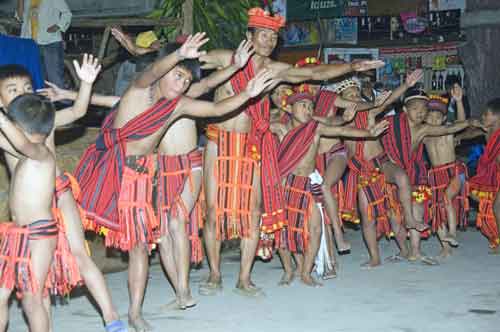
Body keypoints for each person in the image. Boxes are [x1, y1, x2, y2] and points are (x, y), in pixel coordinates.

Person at [74, 32, 276, 331]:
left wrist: (248, 92)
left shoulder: (176, 105)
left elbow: (217, 108)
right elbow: (153, 71)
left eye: (185, 80)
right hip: (114, 172)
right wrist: (180, 55)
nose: (181, 84)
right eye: (178, 77)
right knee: (86, 234)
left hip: (145, 176)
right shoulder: (138, 91)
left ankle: (135, 311)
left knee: (142, 246)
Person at [199, 7, 384, 296]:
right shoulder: (226, 58)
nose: (270, 41)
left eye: (274, 37)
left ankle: (244, 279)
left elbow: (313, 72)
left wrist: (351, 68)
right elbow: (190, 61)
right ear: (250, 35)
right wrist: (148, 49)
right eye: (264, 34)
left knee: (254, 212)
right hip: (218, 140)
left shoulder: (276, 71)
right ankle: (213, 274)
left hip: (251, 145)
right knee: (212, 211)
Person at [0, 57, 127, 332]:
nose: (22, 92)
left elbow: (80, 111)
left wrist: (86, 84)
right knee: (37, 285)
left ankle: (112, 317)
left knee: (80, 255)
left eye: (26, 86)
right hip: (34, 210)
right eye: (12, 89)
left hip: (59, 193)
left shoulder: (45, 118)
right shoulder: (6, 129)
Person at [271, 84, 389, 286]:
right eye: (302, 105)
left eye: (310, 106)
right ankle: (290, 270)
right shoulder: (280, 127)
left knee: (316, 229)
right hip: (286, 183)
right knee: (282, 229)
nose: (308, 110)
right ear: (289, 109)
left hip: (309, 183)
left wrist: (369, 133)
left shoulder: (315, 128)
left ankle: (307, 273)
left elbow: (342, 129)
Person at [382, 88, 472, 265]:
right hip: (393, 175)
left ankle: (417, 251)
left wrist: (462, 105)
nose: (420, 113)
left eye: (423, 109)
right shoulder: (389, 124)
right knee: (393, 216)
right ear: (405, 110)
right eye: (415, 108)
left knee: (419, 208)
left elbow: (457, 126)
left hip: (417, 175)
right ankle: (404, 251)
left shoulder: (425, 130)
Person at [0, 94, 56, 332]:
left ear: (18, 126)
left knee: (32, 299)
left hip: (39, 233)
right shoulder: (25, 155)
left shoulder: (41, 154)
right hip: (17, 233)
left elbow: (23, 144)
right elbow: (11, 143)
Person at [423, 87, 470, 256]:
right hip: (435, 174)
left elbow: (461, 123)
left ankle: (452, 232)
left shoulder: (448, 131)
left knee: (447, 198)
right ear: (424, 118)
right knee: (436, 210)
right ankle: (445, 247)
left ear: (444, 119)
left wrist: (458, 101)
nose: (434, 120)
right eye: (430, 116)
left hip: (454, 171)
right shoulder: (424, 134)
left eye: (438, 117)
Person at [468, 98, 500, 253]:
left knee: (496, 206)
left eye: (486, 114)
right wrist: (458, 138)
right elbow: (471, 128)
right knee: (476, 195)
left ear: (497, 117)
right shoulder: (488, 130)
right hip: (493, 173)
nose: (483, 117)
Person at [17, 0, 72, 88]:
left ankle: (64, 101)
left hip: (50, 42)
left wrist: (59, 25)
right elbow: (20, 18)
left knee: (54, 77)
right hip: (30, 43)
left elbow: (67, 13)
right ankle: (42, 100)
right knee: (37, 76)